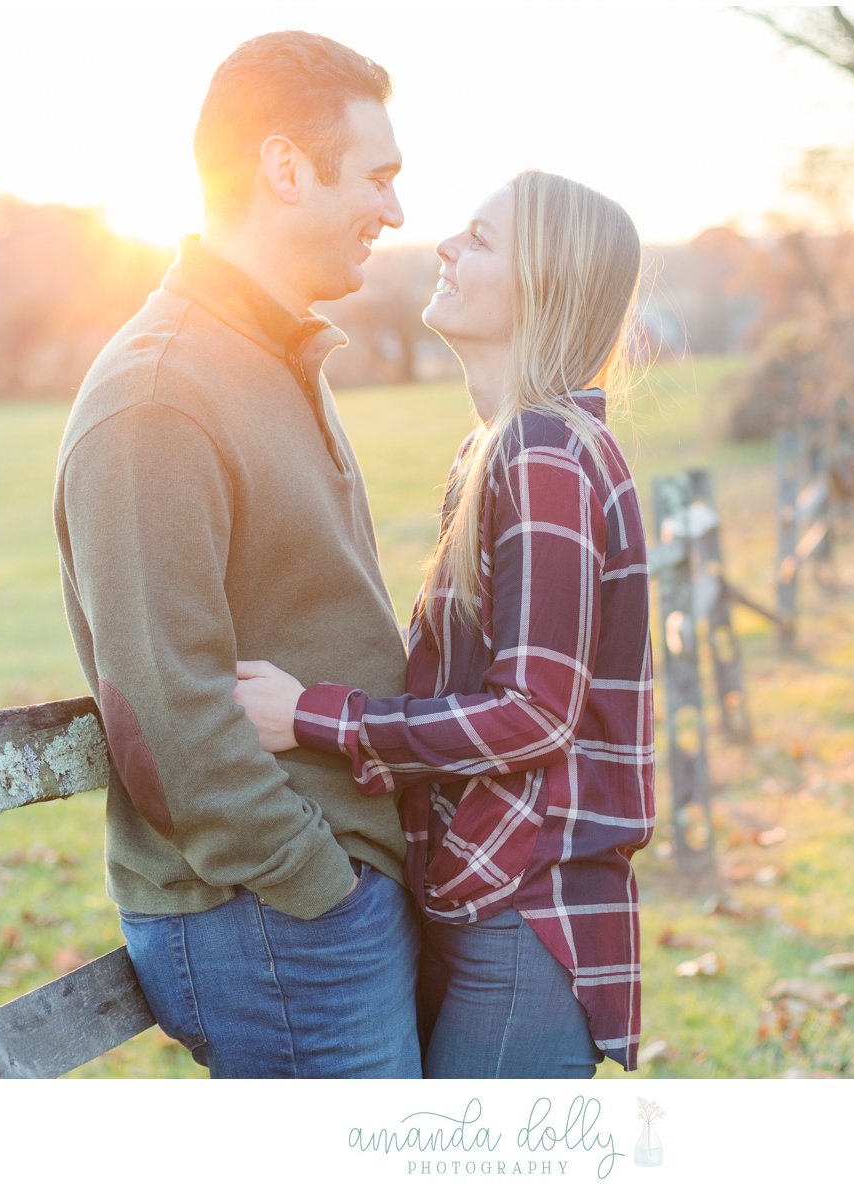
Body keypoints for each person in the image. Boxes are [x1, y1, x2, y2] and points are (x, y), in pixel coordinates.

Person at [232, 169, 655, 1078]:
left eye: (479, 238)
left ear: (540, 285)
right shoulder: (501, 447)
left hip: (524, 914)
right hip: (489, 900)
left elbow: (536, 712)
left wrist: (315, 715)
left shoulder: (542, 451)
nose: (446, 249)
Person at [53, 31, 420, 1078]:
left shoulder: (271, 354)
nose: (394, 211)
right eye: (379, 175)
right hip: (273, 914)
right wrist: (316, 883)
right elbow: (164, 707)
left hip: (330, 890)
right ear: (285, 167)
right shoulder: (159, 395)